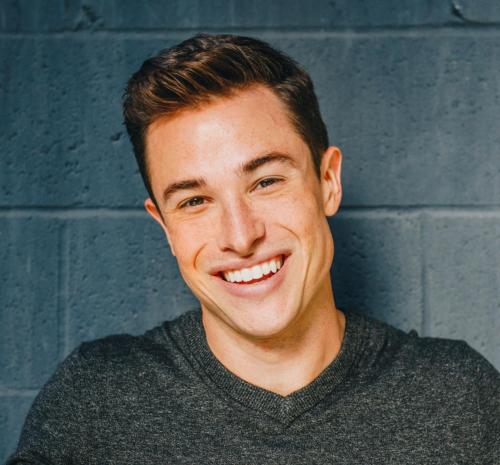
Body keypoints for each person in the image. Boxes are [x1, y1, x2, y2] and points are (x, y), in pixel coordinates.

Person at [7, 34, 499, 465]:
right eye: (195, 201)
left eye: (266, 182)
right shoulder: (96, 402)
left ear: (328, 182)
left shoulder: (458, 398)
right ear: (165, 226)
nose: (241, 237)